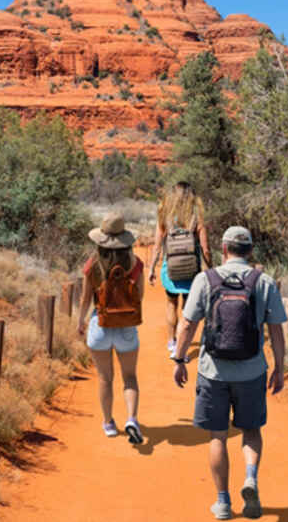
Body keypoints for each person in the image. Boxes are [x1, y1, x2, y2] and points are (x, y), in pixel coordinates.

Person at [171, 226, 285, 520]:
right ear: (250, 251)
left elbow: (187, 325)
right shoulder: (264, 282)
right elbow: (276, 330)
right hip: (252, 371)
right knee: (251, 431)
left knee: (217, 436)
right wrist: (280, 368)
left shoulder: (205, 279)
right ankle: (251, 478)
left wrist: (180, 359)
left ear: (223, 249)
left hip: (213, 372)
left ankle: (222, 502)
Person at [77, 212, 146, 445]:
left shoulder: (93, 265)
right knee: (130, 377)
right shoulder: (135, 264)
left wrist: (80, 322)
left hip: (100, 324)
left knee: (105, 378)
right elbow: (140, 296)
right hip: (126, 326)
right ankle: (132, 419)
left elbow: (85, 299)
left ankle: (108, 423)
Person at [147, 180, 211, 357]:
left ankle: (171, 343)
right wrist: (210, 269)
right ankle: (182, 343)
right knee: (186, 308)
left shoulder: (166, 217)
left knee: (171, 304)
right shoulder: (196, 218)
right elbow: (205, 248)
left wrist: (151, 268)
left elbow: (157, 246)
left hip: (171, 269)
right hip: (192, 270)